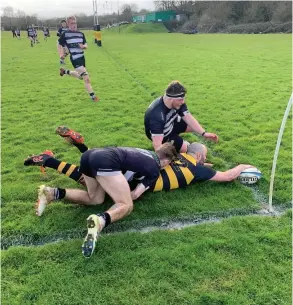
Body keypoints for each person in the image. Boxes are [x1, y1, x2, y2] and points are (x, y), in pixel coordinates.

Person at [27, 140, 177, 258]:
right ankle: (100, 221)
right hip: (107, 163)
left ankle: (52, 193)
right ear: (166, 161)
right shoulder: (155, 169)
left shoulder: (145, 152)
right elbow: (135, 195)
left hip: (90, 155)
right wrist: (122, 197)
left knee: (95, 199)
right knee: (127, 205)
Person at [24, 126, 255, 197]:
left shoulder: (181, 157)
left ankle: (63, 155)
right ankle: (53, 161)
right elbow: (227, 176)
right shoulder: (196, 170)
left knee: (93, 171)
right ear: (201, 158)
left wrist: (203, 162)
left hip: (128, 163)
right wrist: (244, 167)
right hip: (136, 180)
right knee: (93, 185)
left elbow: (192, 160)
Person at [145, 80, 219, 153]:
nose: (183, 102)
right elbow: (157, 146)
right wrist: (163, 160)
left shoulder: (177, 103)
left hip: (172, 122)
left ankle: (178, 139)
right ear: (171, 99)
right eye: (181, 99)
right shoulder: (156, 115)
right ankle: (179, 143)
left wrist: (204, 133)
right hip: (164, 133)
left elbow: (189, 118)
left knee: (193, 126)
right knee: (185, 149)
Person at [58, 16, 99, 102]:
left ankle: (64, 71)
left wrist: (83, 46)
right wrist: (61, 54)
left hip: (82, 58)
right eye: (72, 23)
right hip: (75, 59)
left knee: (81, 77)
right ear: (68, 24)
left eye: (75, 23)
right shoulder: (65, 34)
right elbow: (59, 44)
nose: (74, 25)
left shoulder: (81, 34)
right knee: (86, 77)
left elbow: (86, 45)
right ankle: (93, 96)